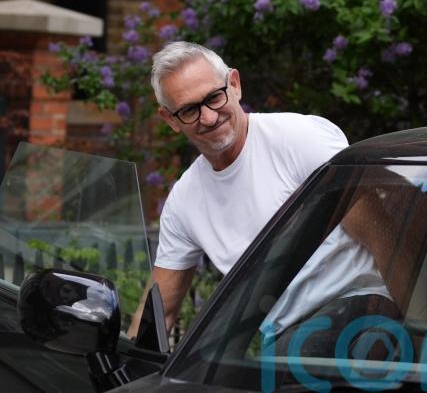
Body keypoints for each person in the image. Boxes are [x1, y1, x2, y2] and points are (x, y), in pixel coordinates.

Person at [128, 41, 388, 338]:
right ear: (170, 120)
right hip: (285, 342)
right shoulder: (184, 201)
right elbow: (159, 312)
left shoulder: (300, 140)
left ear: (234, 85)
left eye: (214, 97)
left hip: (366, 318)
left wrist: (426, 332)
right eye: (189, 110)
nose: (209, 117)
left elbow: (387, 239)